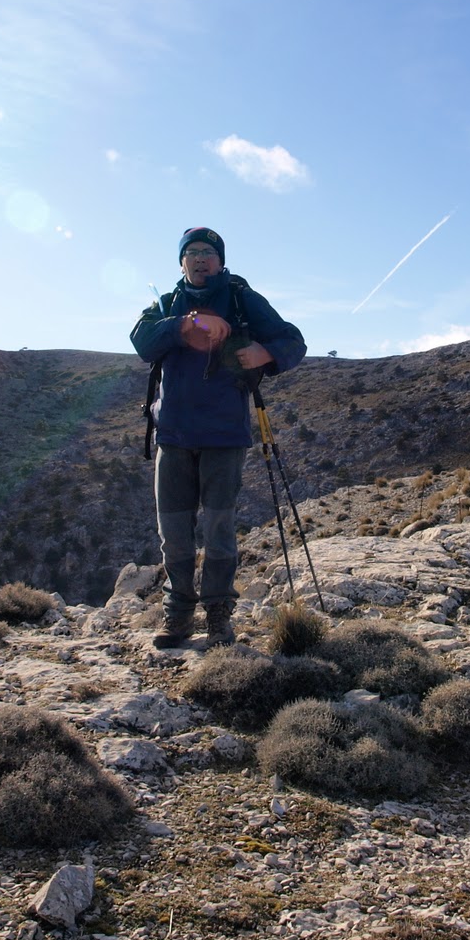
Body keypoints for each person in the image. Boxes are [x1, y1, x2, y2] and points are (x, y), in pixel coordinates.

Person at [130, 227, 306, 648]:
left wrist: (266, 354)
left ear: (221, 261)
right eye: (191, 253)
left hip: (225, 436)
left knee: (219, 529)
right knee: (173, 531)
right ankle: (178, 616)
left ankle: (218, 615)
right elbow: (142, 340)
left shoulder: (243, 298)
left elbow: (293, 342)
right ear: (181, 263)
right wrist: (187, 322)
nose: (200, 258)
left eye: (208, 252)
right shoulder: (167, 304)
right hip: (172, 435)